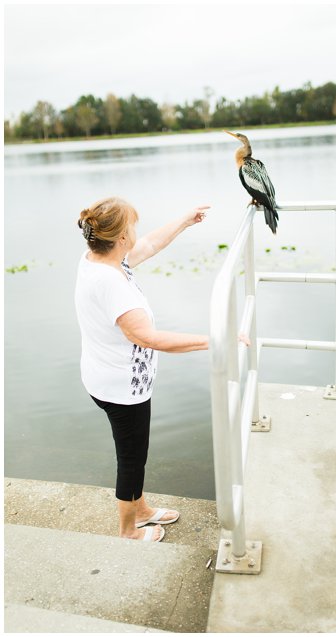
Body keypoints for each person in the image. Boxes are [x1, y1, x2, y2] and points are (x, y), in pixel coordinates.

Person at [75, 197, 210, 542]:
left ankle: (143, 510)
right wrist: (215, 341)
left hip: (107, 377)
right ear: (120, 238)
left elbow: (149, 244)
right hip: (120, 389)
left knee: (135, 451)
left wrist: (184, 220)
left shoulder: (100, 261)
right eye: (132, 226)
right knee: (132, 460)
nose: (138, 231)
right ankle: (128, 531)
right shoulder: (110, 283)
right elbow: (147, 338)